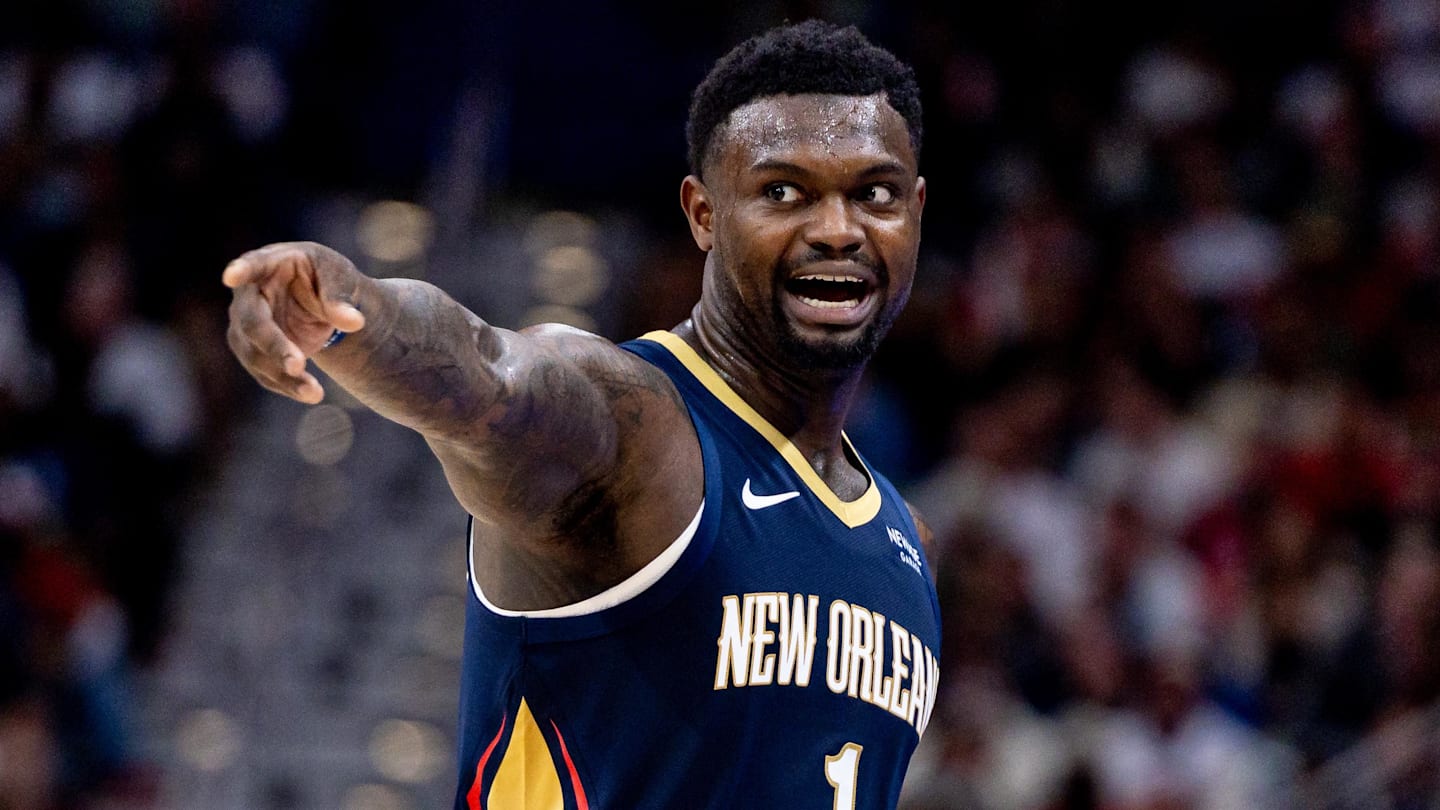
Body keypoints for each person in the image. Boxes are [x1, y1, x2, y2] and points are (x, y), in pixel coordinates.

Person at [224, 19, 941, 810]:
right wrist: (347, 307)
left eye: (873, 194)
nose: (837, 230)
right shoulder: (635, 427)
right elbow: (488, 375)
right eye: (783, 192)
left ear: (915, 210)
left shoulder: (905, 542)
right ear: (703, 214)